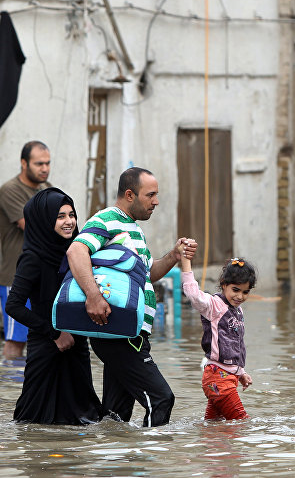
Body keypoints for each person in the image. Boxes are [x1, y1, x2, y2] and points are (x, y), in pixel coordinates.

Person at [65, 167, 196, 427]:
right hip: (120, 334)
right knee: (161, 399)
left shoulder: (132, 228)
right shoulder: (106, 220)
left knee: (115, 417)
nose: (156, 202)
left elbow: (147, 274)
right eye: (150, 195)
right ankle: (153, 449)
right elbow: (76, 251)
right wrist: (93, 296)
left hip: (128, 332)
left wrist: (174, 255)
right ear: (129, 195)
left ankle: (113, 453)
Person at [5, 187, 104, 424]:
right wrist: (55, 333)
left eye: (72, 215)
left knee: (85, 418)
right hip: (47, 346)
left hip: (77, 345)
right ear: (44, 220)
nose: (69, 221)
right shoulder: (32, 258)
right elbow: (13, 305)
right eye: (60, 217)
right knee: (33, 421)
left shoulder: (76, 254)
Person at [181, 255, 255, 420]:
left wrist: (240, 372)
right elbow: (193, 294)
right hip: (218, 379)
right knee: (241, 422)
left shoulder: (238, 311)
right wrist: (185, 260)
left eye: (245, 292)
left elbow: (235, 344)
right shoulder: (214, 306)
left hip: (227, 378)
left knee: (213, 425)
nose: (240, 296)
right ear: (223, 284)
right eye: (235, 290)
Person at [0, 140, 51, 359]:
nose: (44, 168)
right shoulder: (11, 190)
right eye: (39, 164)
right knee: (15, 342)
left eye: (47, 163)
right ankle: (10, 380)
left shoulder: (47, 189)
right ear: (24, 163)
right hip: (16, 278)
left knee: (46, 339)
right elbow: (32, 227)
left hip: (43, 280)